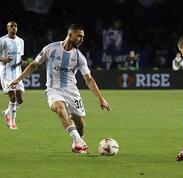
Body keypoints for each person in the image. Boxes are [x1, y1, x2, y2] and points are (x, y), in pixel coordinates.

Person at [9, 24, 112, 154]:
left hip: (71, 91)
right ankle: (78, 141)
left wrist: (101, 98)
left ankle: (77, 141)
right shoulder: (51, 49)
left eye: (83, 37)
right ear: (70, 35)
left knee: (80, 124)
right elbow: (35, 64)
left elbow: (89, 79)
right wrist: (19, 78)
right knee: (59, 108)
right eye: (79, 36)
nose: (82, 39)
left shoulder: (79, 57)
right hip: (53, 89)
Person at [0, 21, 25, 129]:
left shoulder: (20, 41)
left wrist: (22, 62)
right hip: (6, 73)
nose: (14, 28)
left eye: (15, 26)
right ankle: (12, 123)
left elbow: (20, 57)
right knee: (13, 97)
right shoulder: (2, 40)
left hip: (17, 74)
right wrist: (4, 59)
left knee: (20, 99)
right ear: (7, 28)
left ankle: (6, 113)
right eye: (11, 26)